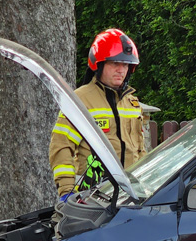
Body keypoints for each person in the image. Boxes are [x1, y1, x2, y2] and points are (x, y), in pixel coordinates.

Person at [49, 29, 146, 199]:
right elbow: (61, 146)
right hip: (92, 196)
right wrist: (66, 191)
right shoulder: (80, 99)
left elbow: (140, 151)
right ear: (99, 65)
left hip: (130, 196)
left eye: (125, 65)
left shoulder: (132, 103)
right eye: (115, 63)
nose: (121, 70)